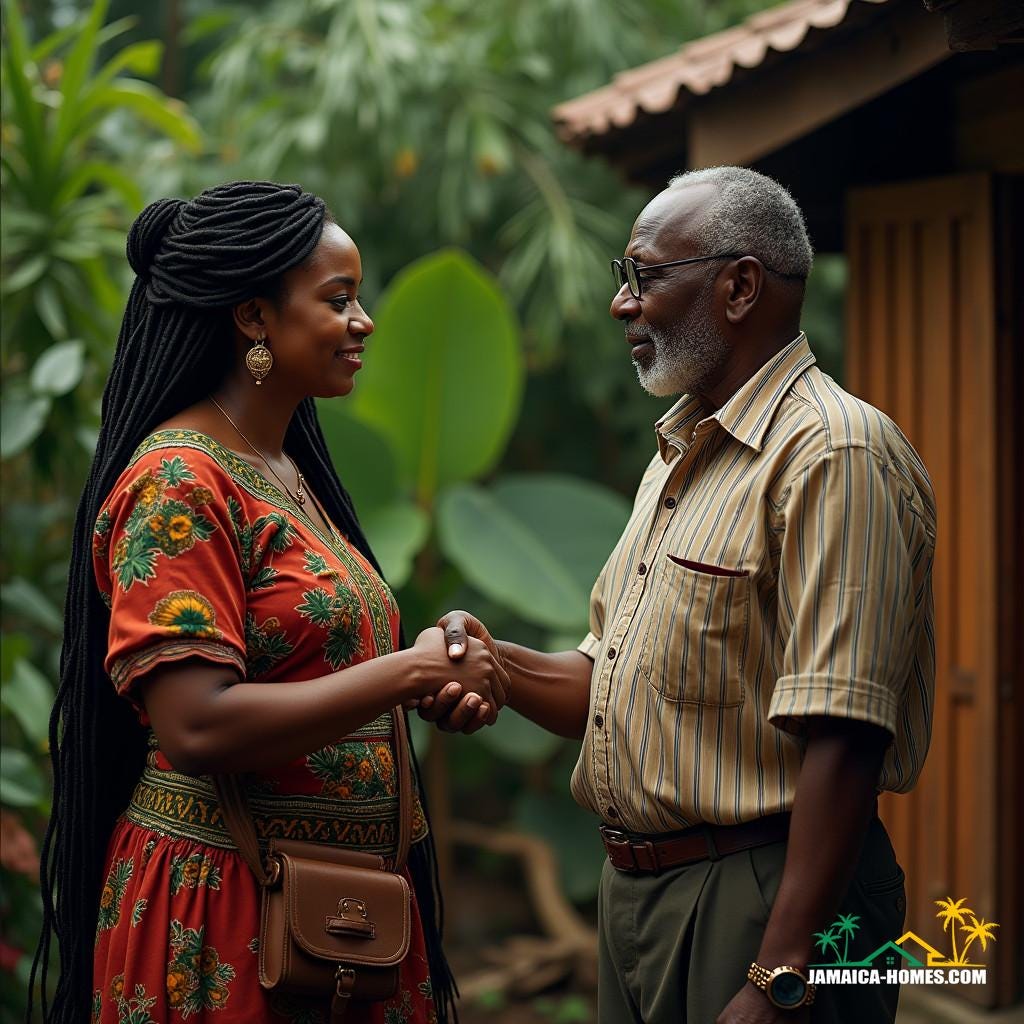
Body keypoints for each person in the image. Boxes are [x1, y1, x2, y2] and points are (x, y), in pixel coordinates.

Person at [425, 166, 936, 1023]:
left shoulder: (833, 454)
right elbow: (609, 681)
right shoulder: (680, 458)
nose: (623, 304)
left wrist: (781, 973)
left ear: (739, 286)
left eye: (645, 276)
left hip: (767, 896)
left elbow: (845, 732)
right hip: (639, 899)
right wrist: (494, 666)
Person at [30, 181, 509, 1024]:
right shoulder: (180, 479)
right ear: (255, 318)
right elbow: (197, 724)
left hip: (346, 913)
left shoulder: (290, 473)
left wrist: (434, 672)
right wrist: (402, 674)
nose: (363, 323)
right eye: (339, 300)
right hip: (223, 915)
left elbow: (320, 666)